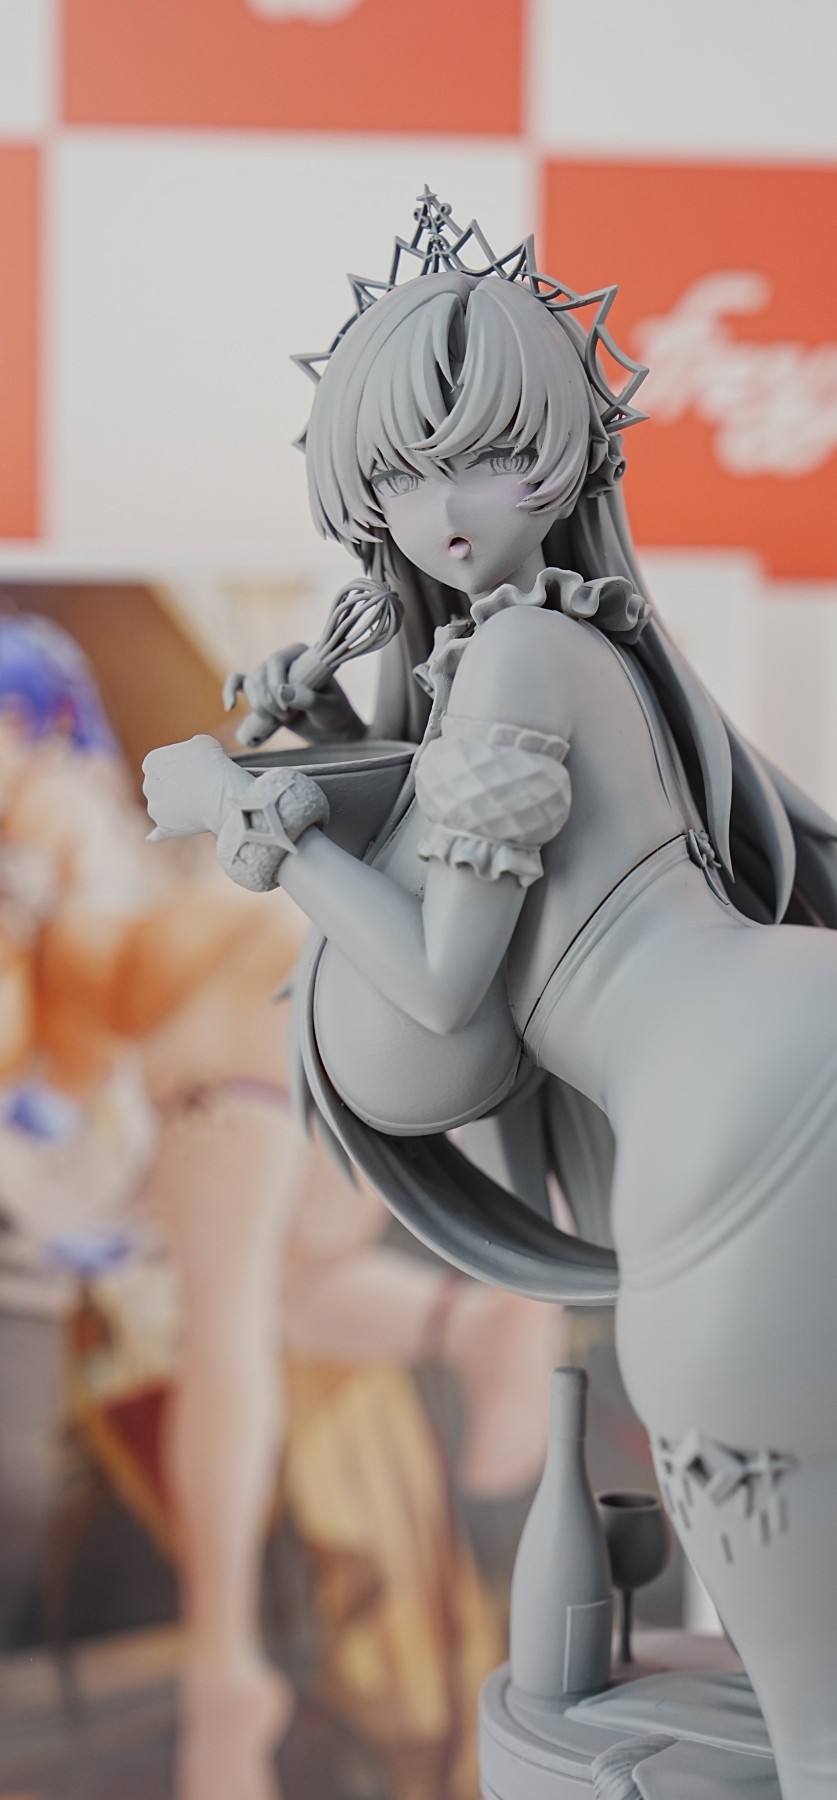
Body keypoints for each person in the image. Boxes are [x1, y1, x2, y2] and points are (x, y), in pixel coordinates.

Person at [142, 196, 837, 1800]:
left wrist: (263, 826)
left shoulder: (518, 665)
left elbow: (440, 981)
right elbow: (452, 836)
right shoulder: (569, 650)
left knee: (828, 1693)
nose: (444, 512)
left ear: (571, 457)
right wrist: (326, 740)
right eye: (402, 476)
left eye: (492, 458)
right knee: (825, 1560)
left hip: (736, 1106)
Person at [0, 612, 556, 1800]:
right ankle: (473, 1324)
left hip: (222, 1011)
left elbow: (72, 992)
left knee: (231, 1321)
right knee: (294, 1293)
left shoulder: (54, 822)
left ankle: (224, 1683)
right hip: (275, 1027)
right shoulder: (55, 841)